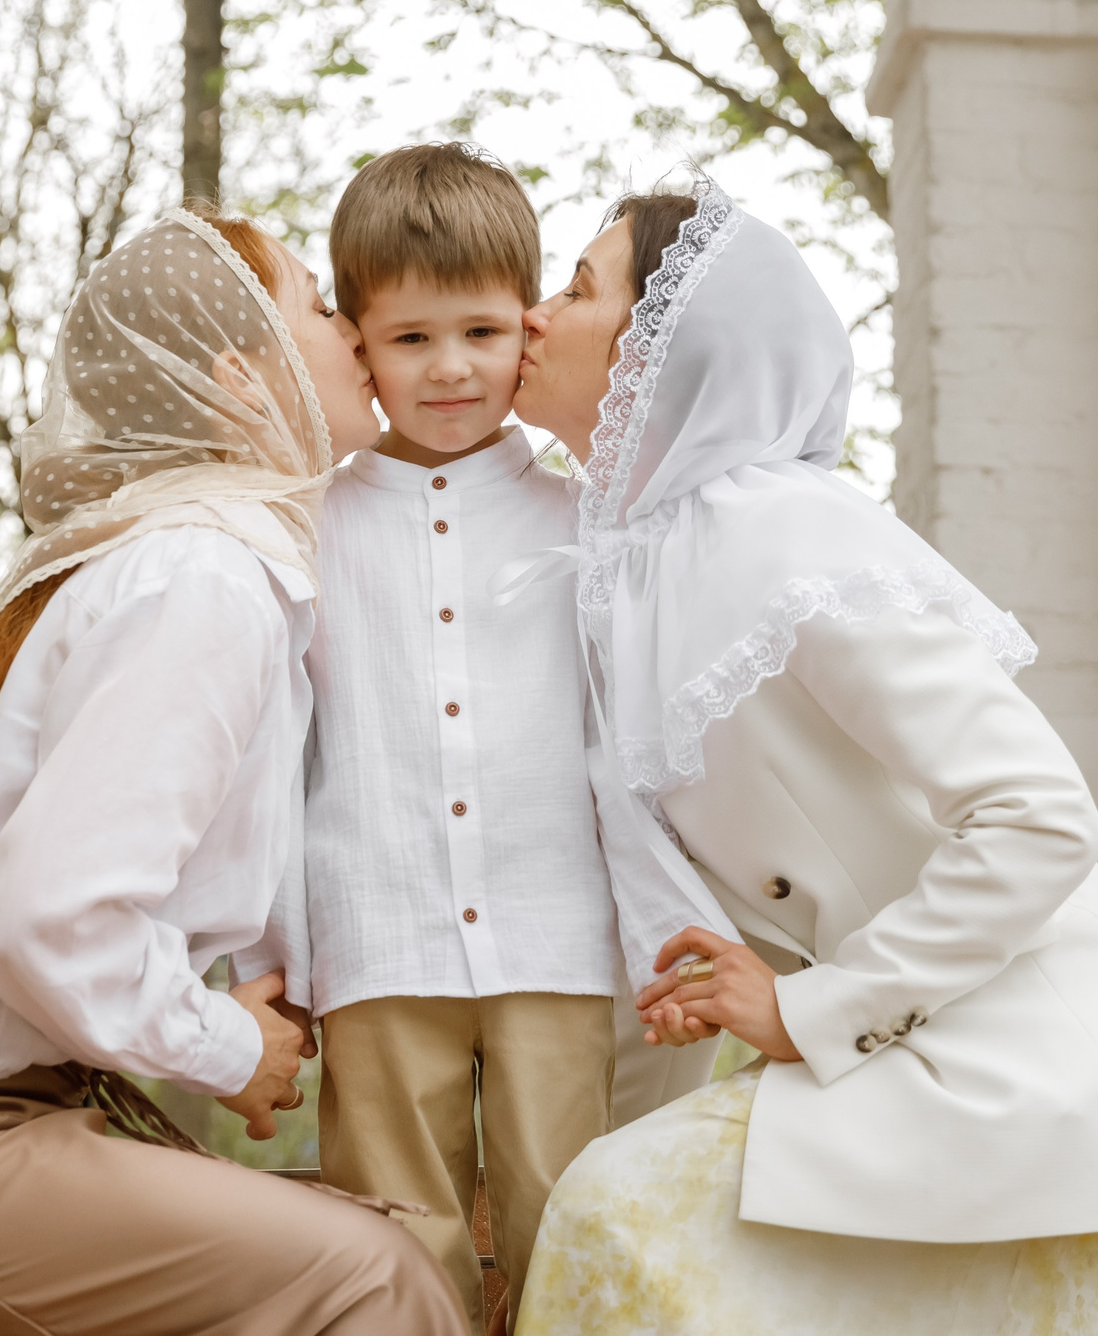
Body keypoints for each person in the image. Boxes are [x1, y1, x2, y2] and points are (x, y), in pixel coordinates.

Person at [507, 183, 1098, 1334]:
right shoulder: (632, 572)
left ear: (665, 351)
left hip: (1044, 1064)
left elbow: (1040, 816)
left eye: (575, 289)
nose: (531, 315)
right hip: (915, 1056)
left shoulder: (779, 533)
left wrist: (817, 1009)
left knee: (613, 1213)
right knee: (613, 1206)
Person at [0, 209, 465, 1336]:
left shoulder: (194, 560)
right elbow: (47, 921)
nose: (359, 336)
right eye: (321, 309)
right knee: (370, 1276)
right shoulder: (204, 578)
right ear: (239, 378)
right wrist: (229, 1047)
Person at [233, 145, 735, 1333]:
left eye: (481, 332)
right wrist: (273, 958)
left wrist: (667, 926)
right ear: (357, 340)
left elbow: (622, 751)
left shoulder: (588, 527)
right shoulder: (305, 530)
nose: (450, 368)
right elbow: (277, 756)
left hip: (553, 938)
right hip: (375, 936)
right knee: (394, 1238)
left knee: (569, 1220)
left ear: (525, 328)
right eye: (409, 340)